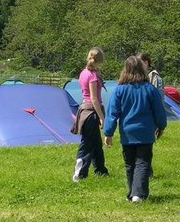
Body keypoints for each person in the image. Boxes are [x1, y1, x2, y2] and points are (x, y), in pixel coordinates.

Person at [103, 56, 167, 202]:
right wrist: (161, 126)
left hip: (127, 133)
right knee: (143, 162)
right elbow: (159, 111)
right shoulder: (150, 89)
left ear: (125, 70)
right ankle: (138, 194)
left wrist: (108, 133)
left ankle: (133, 192)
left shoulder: (119, 90)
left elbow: (112, 113)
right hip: (145, 133)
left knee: (130, 164)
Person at [71, 47, 109, 181]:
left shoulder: (83, 73)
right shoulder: (92, 76)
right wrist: (101, 117)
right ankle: (79, 173)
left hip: (84, 110)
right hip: (90, 112)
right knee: (87, 144)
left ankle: (101, 170)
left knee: (96, 144)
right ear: (99, 61)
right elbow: (94, 98)